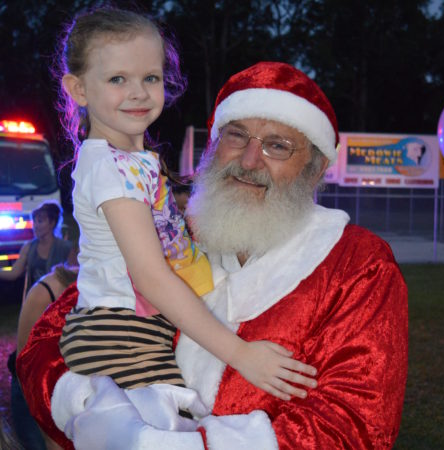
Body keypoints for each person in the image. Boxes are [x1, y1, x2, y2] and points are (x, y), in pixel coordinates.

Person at [18, 62, 408, 449]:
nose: (249, 161)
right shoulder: (168, 232)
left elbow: (354, 425)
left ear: (315, 168)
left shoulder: (356, 265)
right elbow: (46, 341)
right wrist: (92, 410)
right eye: (236, 136)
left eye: (277, 146)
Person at [36, 6, 316, 439]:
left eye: (150, 77)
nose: (138, 93)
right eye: (117, 79)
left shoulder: (130, 160)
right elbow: (151, 277)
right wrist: (242, 355)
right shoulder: (112, 169)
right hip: (121, 336)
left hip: (133, 329)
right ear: (79, 89)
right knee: (153, 437)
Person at [2, 201, 76, 450]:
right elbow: (15, 273)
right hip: (35, 309)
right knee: (24, 360)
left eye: (41, 220)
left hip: (56, 316)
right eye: (35, 220)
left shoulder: (65, 248)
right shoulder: (29, 247)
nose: (36, 225)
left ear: (52, 223)